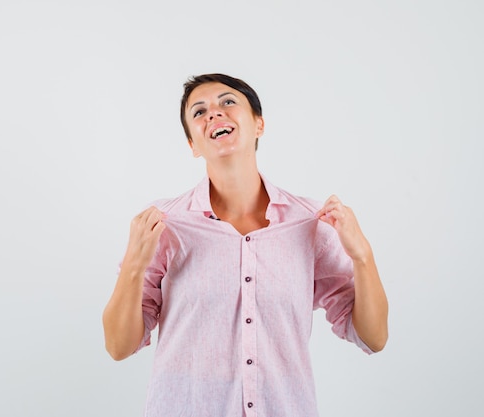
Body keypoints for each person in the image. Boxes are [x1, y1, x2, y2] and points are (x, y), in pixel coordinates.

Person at [102, 73, 388, 417]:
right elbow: (119, 346)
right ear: (193, 144)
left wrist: (362, 256)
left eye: (228, 102)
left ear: (259, 125)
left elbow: (373, 338)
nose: (214, 114)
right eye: (199, 112)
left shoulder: (311, 223)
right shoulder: (164, 225)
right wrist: (134, 266)